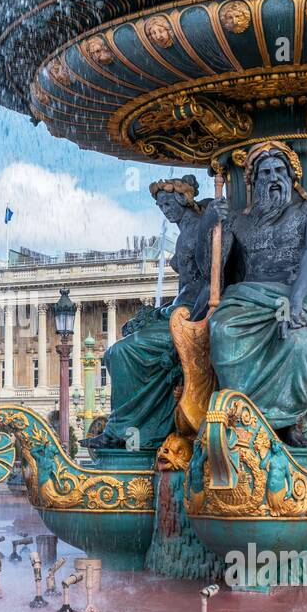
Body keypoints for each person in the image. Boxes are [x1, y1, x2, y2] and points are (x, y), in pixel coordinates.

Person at [208, 140, 307, 446]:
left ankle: (287, 421)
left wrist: (295, 303)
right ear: (253, 182)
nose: (273, 178)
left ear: (293, 175)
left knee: (297, 341)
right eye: (264, 172)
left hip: (298, 291)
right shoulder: (238, 220)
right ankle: (238, 416)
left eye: (279, 170)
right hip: (248, 297)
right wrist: (211, 222)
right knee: (222, 329)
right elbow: (211, 269)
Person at [83, 174, 229, 451]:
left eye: (168, 204)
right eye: (161, 207)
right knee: (127, 338)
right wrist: (162, 312)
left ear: (184, 199)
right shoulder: (187, 232)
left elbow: (212, 282)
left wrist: (190, 322)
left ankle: (125, 432)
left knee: (121, 352)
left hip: (192, 315)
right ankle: (131, 430)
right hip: (177, 310)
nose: (166, 211)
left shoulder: (204, 227)